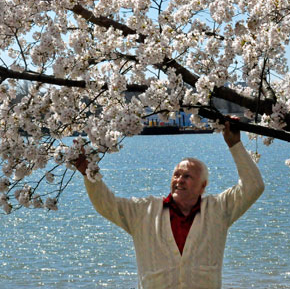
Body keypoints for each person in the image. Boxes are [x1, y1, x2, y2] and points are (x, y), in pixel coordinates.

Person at [74, 120, 265, 289]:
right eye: (176, 175)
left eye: (187, 176)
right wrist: (88, 174)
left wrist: (235, 145)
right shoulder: (144, 211)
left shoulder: (219, 209)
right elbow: (106, 205)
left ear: (203, 186)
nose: (180, 180)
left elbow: (253, 186)